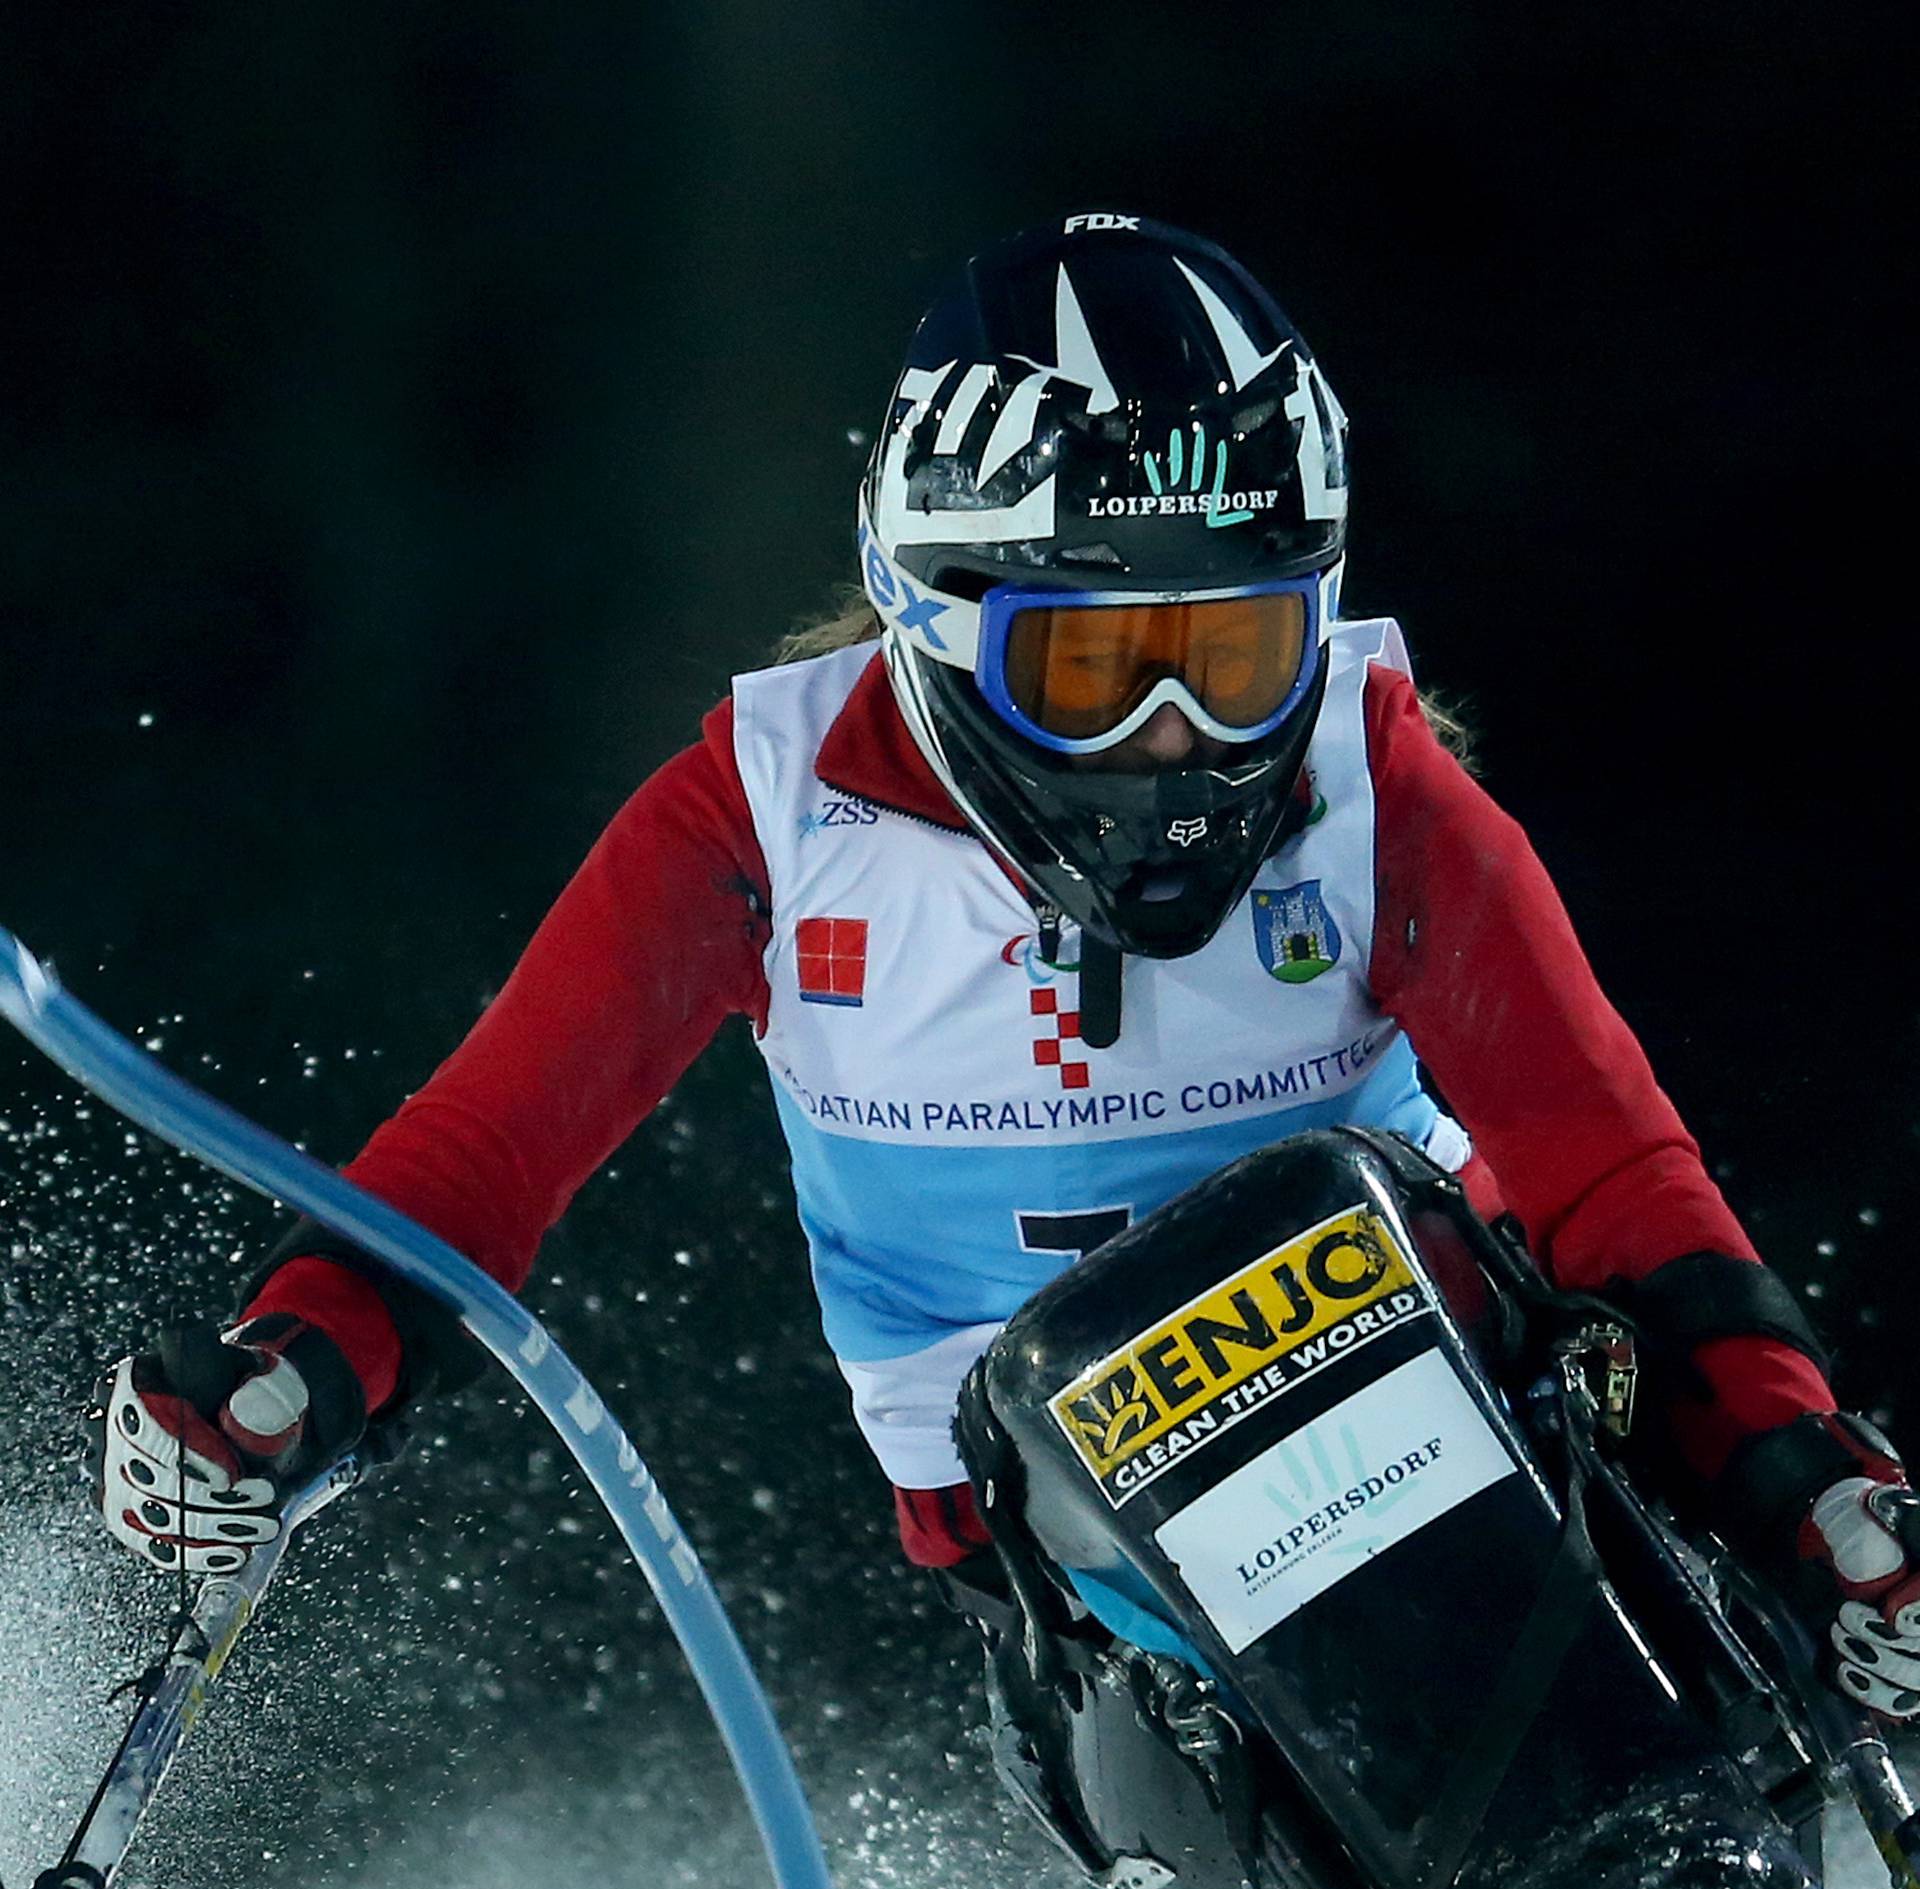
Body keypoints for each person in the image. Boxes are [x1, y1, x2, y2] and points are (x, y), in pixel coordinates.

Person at [97, 215, 1920, 1748]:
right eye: (1093, 668)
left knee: (1637, 1407)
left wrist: (1797, 1456)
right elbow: (490, 1149)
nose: (1166, 744)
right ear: (938, 617)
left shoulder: (1371, 781)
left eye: (1228, 654)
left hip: (1442, 1384)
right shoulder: (763, 817)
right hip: (1048, 1517)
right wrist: (299, 1367)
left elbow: (1605, 1161)